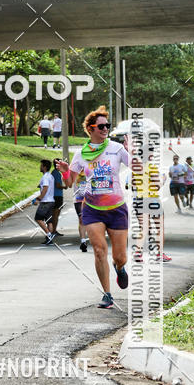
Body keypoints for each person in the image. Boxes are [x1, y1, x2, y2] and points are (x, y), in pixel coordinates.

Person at [59, 106, 129, 309]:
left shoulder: (116, 149)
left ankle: (120, 268)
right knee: (99, 250)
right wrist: (65, 171)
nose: (106, 128)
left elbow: (137, 166)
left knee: (119, 257)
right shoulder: (81, 154)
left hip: (116, 209)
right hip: (92, 208)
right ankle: (107, 294)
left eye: (107, 125)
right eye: (101, 126)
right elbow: (69, 182)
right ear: (90, 129)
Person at [32, 159, 56, 244]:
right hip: (51, 201)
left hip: (45, 201)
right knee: (49, 221)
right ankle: (49, 239)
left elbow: (45, 188)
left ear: (44, 167)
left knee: (38, 218)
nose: (40, 167)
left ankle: (49, 234)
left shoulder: (45, 177)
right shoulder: (50, 176)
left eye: (41, 165)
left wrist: (38, 199)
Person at [73, 168, 89, 252]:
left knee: (91, 220)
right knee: (81, 220)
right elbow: (67, 181)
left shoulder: (91, 169)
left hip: (90, 199)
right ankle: (83, 242)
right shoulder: (74, 171)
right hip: (78, 199)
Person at [50, 157, 65, 235]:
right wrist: (65, 187)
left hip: (54, 195)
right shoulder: (57, 173)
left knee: (54, 214)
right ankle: (53, 231)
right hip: (57, 196)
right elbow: (58, 185)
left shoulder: (53, 172)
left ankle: (53, 230)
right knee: (56, 214)